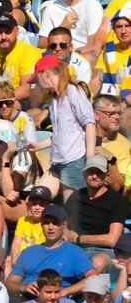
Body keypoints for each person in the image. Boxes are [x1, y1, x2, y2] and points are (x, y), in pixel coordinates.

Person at [31, 53, 94, 198]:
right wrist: (38, 145)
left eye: (37, 79)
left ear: (46, 74)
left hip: (74, 161)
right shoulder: (54, 100)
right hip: (58, 161)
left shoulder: (73, 91)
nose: (37, 84)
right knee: (37, 198)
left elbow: (89, 123)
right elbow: (61, 134)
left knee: (72, 210)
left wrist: (89, 159)